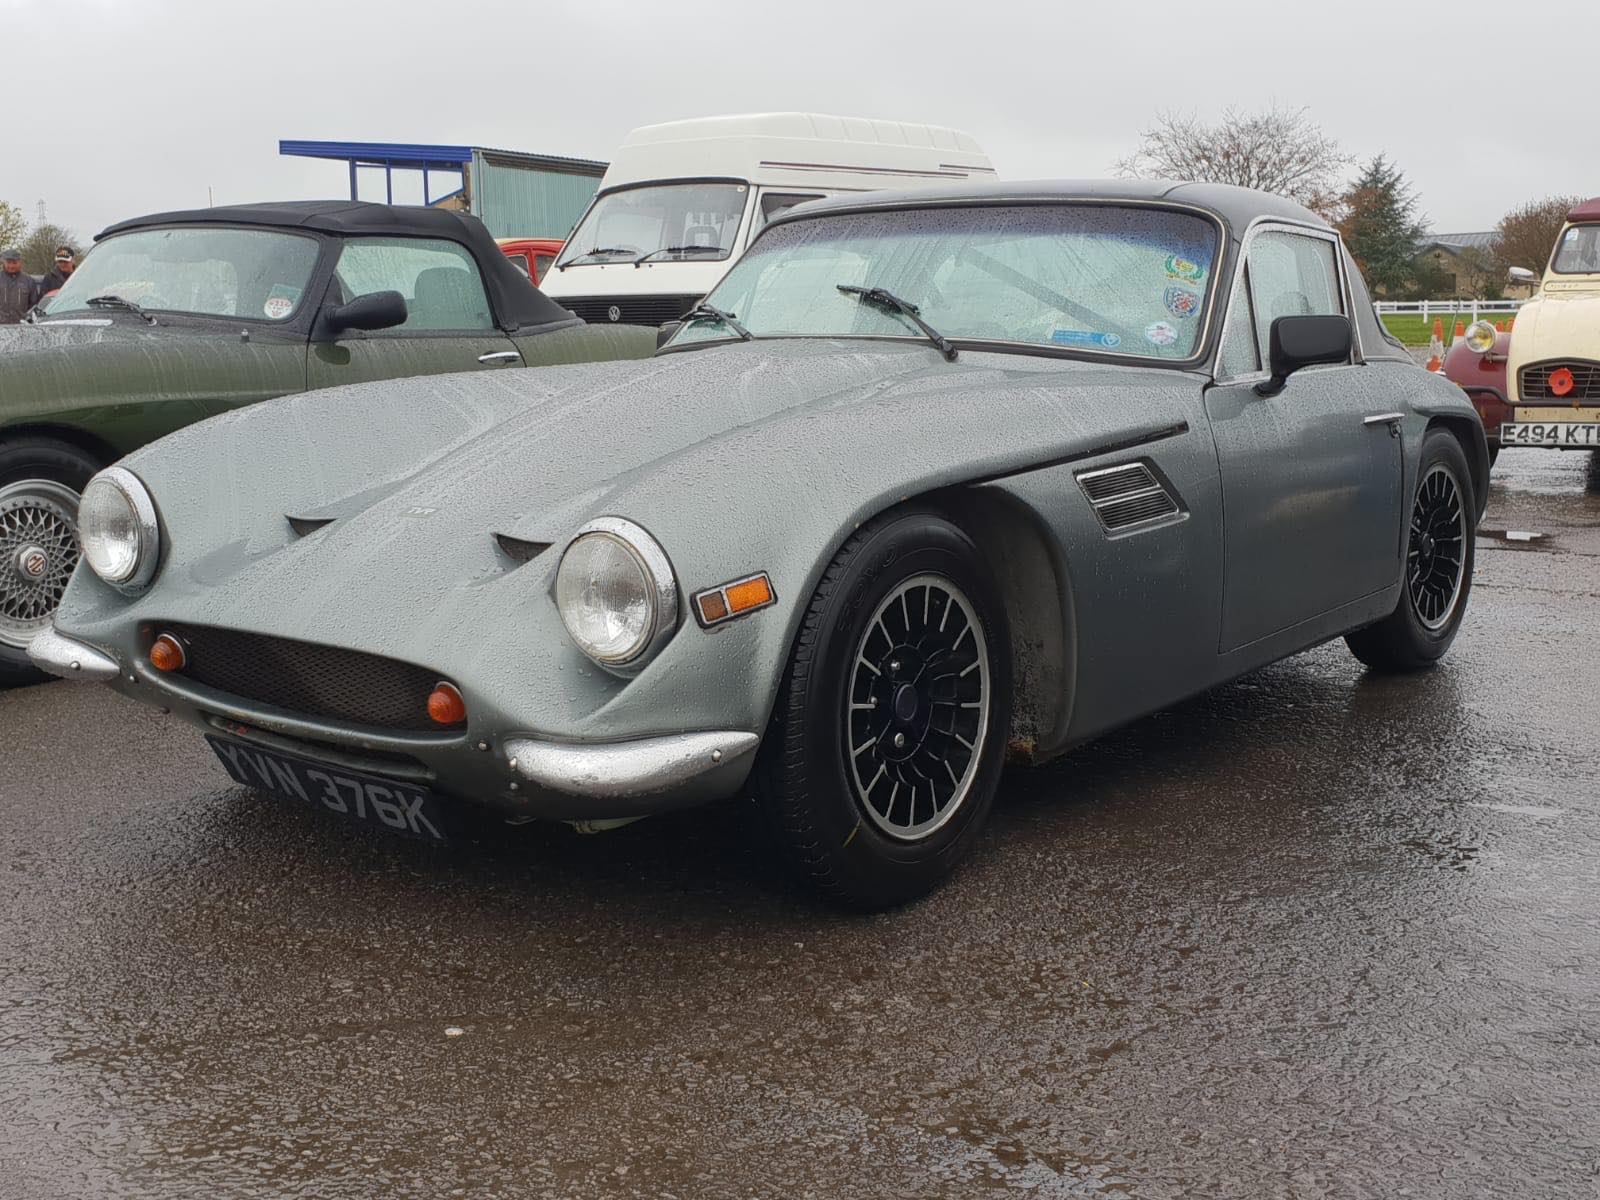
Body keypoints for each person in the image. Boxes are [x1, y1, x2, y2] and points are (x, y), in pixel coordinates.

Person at [0, 248, 41, 323]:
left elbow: (34, 307)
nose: (11, 266)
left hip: (21, 328)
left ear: (20, 263)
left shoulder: (29, 281)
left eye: (14, 263)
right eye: (8, 262)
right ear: (3, 262)